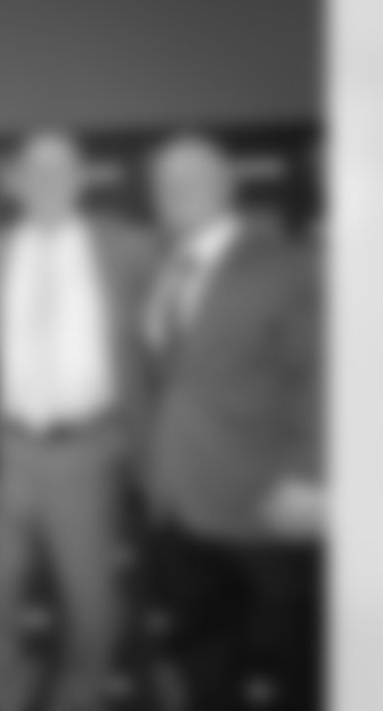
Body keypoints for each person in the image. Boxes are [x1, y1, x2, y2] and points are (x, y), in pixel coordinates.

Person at [0, 130, 158, 711]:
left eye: (60, 169)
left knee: (90, 601)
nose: (47, 181)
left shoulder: (130, 248)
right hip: (7, 447)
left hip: (87, 449)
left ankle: (77, 697)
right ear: (15, 183)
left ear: (81, 179)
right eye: (34, 170)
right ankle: (0, 695)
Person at [138, 133, 324, 711]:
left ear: (228, 183)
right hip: (179, 504)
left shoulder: (284, 263)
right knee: (205, 661)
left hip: (265, 501)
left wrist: (309, 477)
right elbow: (173, 381)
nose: (177, 190)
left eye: (192, 177)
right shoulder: (163, 266)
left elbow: (322, 373)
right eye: (165, 181)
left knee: (293, 664)